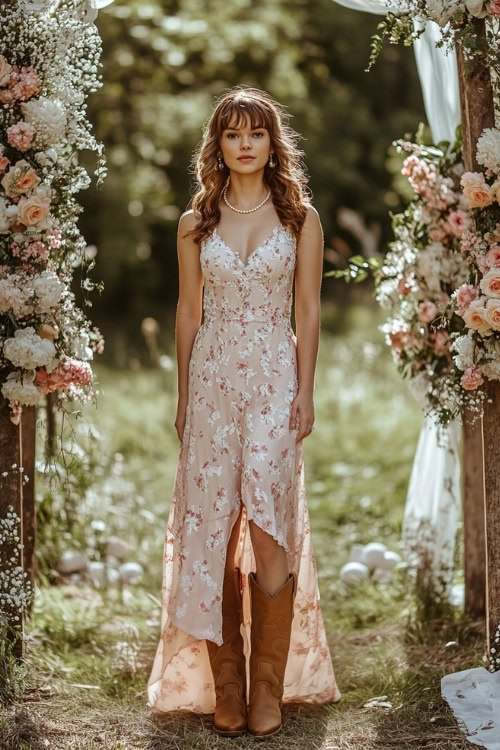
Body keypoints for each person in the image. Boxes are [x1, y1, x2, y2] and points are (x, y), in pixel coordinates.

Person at [147, 85, 341, 739]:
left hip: (274, 381)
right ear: (219, 146)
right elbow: (186, 312)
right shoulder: (195, 223)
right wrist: (181, 398)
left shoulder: (300, 218)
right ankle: (227, 686)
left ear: (271, 142)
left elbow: (309, 311)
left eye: (255, 133)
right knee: (213, 530)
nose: (245, 144)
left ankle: (267, 688)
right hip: (211, 383)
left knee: (269, 529)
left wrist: (306, 392)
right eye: (232, 134)